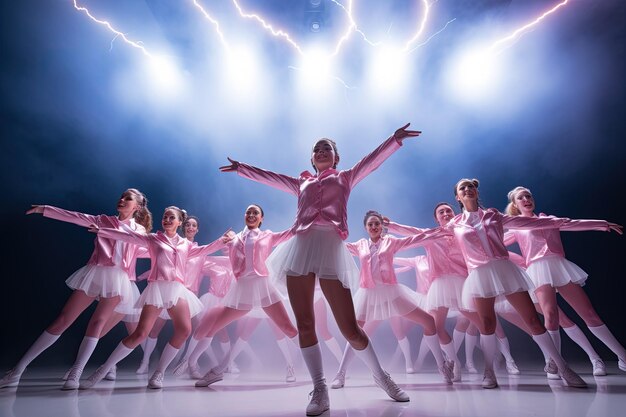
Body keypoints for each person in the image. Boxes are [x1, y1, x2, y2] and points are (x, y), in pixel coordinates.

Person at [219, 123, 420, 416]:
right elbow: (271, 177)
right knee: (305, 323)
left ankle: (381, 376)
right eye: (317, 149)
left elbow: (371, 161)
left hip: (330, 247)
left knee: (349, 327)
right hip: (300, 247)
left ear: (336, 157)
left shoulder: (346, 177)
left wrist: (394, 140)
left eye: (327, 148)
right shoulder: (300, 182)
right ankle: (320, 388)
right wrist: (241, 168)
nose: (321, 151)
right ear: (312, 159)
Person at [438, 178, 588, 389]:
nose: (468, 189)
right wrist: (391, 227)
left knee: (533, 321)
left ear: (476, 192)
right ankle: (489, 372)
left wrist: (597, 225)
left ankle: (563, 368)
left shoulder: (493, 215)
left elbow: (541, 223)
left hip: (505, 270)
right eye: (462, 188)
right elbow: (420, 237)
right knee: (487, 325)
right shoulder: (454, 224)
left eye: (470, 186)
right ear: (458, 197)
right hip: (479, 275)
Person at [0, 189, 152, 390]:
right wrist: (46, 209)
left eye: (128, 198)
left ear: (137, 207)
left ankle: (76, 373)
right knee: (63, 319)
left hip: (119, 279)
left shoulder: (139, 231)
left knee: (97, 322)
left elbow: (153, 250)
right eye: (122, 196)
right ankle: (17, 370)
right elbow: (75, 217)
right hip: (95, 273)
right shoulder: (103, 220)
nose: (122, 199)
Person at [79, 206, 229, 390]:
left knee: (184, 330)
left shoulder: (186, 245)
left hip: (177, 289)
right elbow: (129, 237)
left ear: (179, 222)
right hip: (157, 288)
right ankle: (103, 369)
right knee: (141, 333)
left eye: (171, 217)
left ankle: (158, 373)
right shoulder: (153, 239)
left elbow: (205, 249)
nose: (166, 220)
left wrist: (222, 241)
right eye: (165, 217)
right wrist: (103, 231)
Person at [387, 202, 520, 379]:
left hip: (462, 283)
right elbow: (411, 232)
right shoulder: (431, 235)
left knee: (486, 325)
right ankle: (454, 362)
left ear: (454, 214)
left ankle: (495, 364)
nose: (445, 213)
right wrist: (390, 225)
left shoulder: (464, 232)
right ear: (436, 218)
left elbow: (491, 239)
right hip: (440, 284)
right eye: (441, 212)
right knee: (435, 326)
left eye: (448, 210)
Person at [504, 186, 624, 374]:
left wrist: (602, 223)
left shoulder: (549, 219)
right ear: (515, 204)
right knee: (551, 315)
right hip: (538, 270)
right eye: (521, 198)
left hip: (559, 266)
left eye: (529, 196)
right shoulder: (516, 226)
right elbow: (496, 245)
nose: (527, 199)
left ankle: (622, 357)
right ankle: (557, 363)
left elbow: (573, 223)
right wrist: (522, 261)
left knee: (589, 314)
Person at [329, 210, 453, 390]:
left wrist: (439, 232)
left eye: (377, 224)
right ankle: (341, 374)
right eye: (370, 224)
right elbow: (339, 245)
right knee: (355, 333)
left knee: (428, 321)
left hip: (391, 293)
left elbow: (415, 239)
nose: (373, 227)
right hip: (369, 294)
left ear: (382, 227)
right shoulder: (360, 245)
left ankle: (443, 367)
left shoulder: (391, 242)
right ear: (366, 227)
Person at [180, 204, 299, 385]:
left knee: (288, 329)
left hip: (262, 285)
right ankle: (204, 367)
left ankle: (316, 364)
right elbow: (211, 254)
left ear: (261, 218)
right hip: (242, 287)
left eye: (255, 213)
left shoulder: (267, 235)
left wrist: (306, 214)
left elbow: (292, 232)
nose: (251, 215)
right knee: (213, 327)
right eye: (248, 212)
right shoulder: (234, 238)